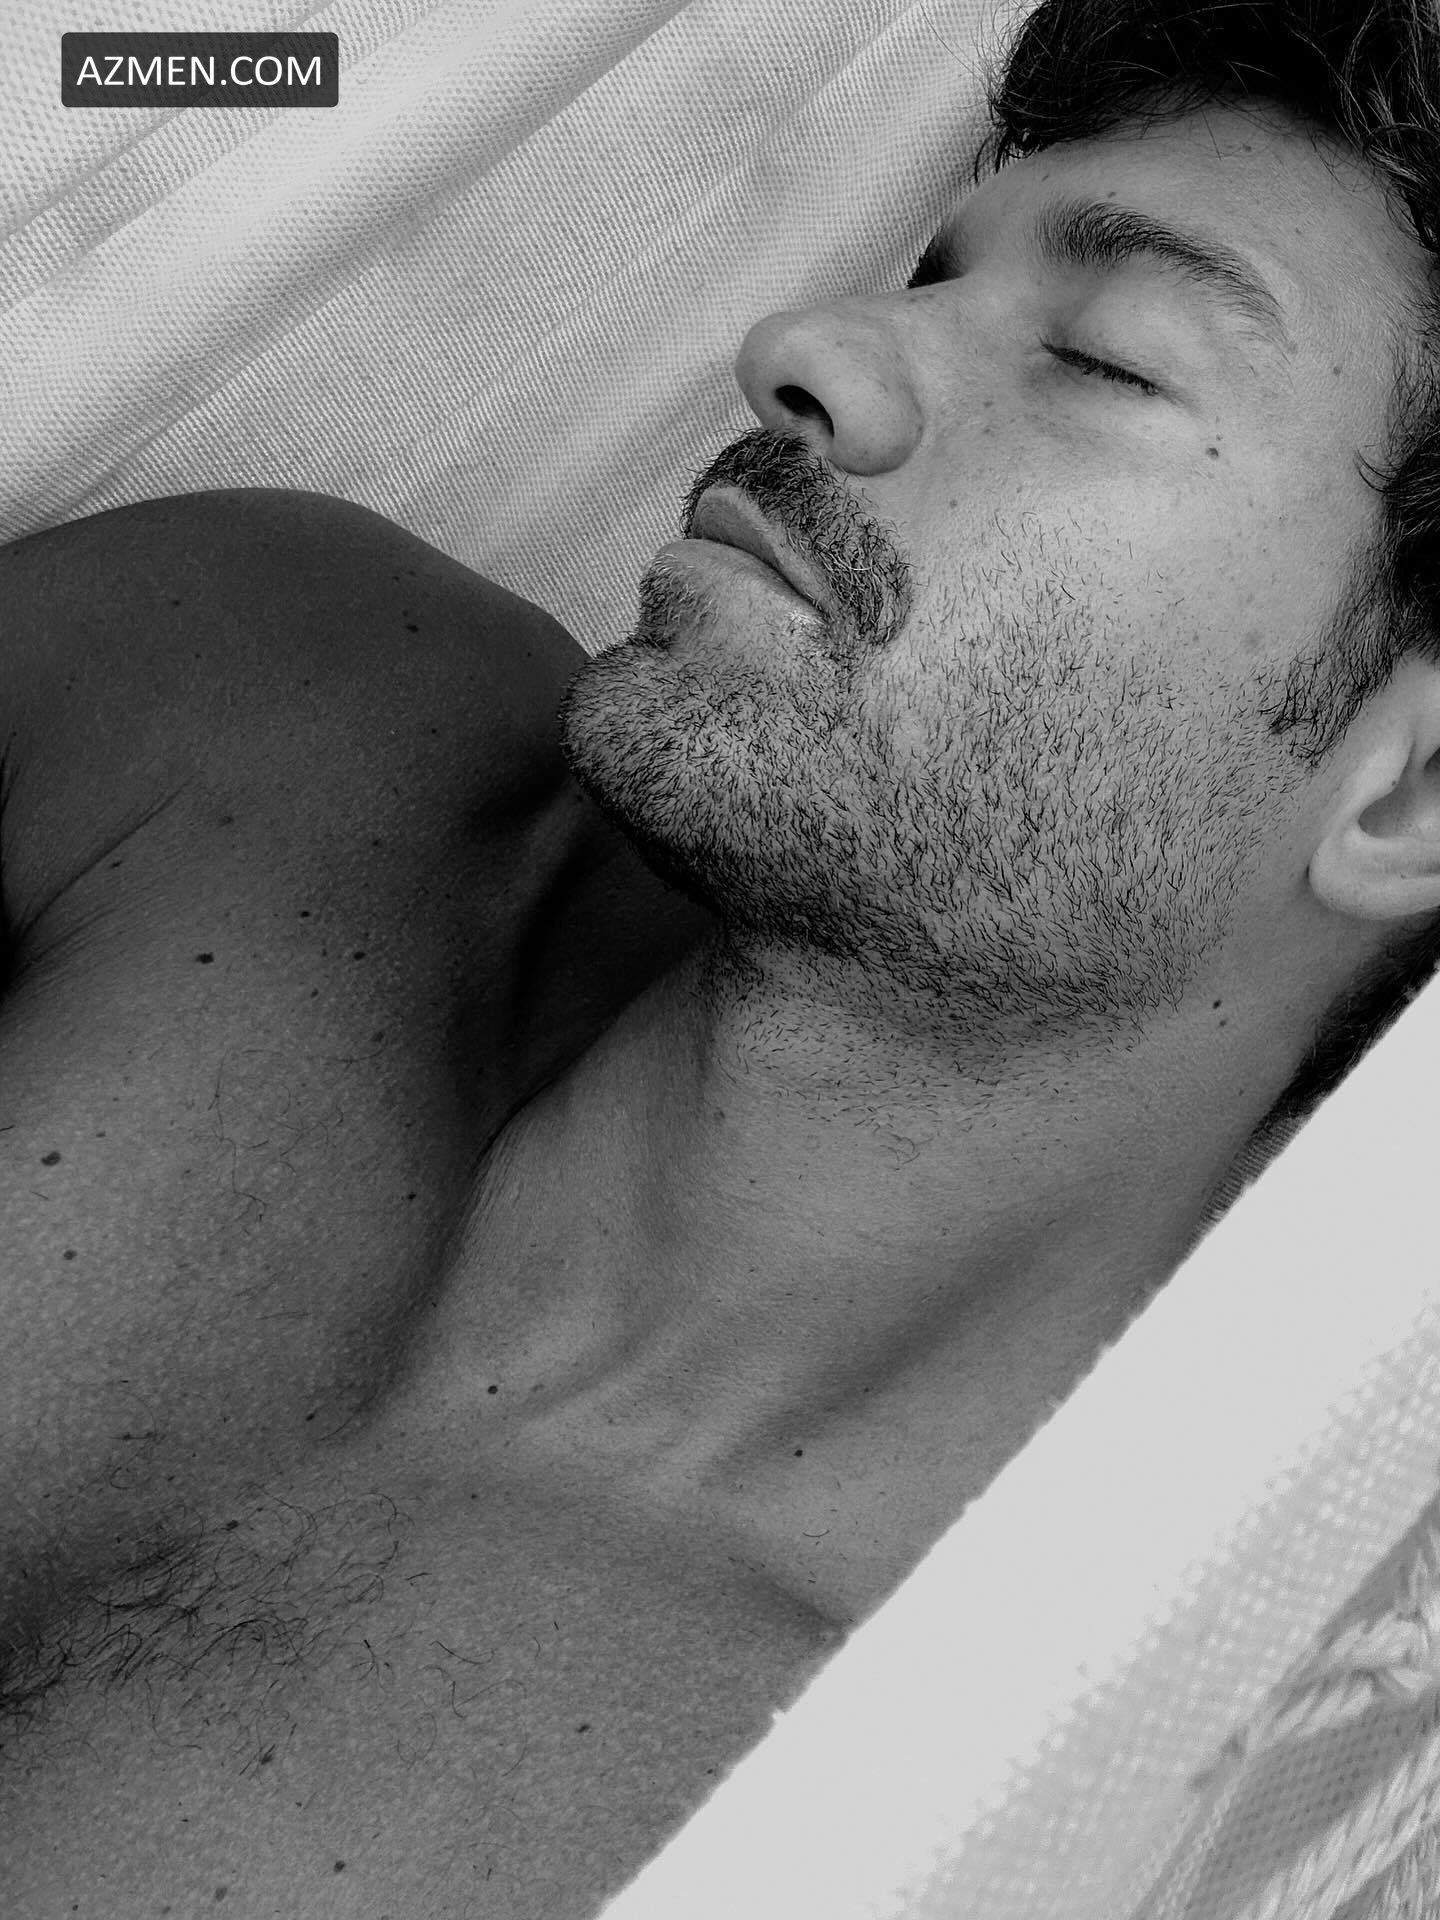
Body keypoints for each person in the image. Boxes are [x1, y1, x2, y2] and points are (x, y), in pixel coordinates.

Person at [4, 0, 1440, 1911]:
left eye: (1103, 356)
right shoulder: (270, 718)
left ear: (1412, 795)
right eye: (931, 273)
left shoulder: (933, 1834)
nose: (806, 347)